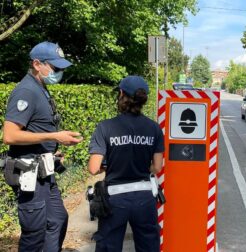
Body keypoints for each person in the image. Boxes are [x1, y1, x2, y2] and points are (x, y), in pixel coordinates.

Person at [2, 41, 83, 251]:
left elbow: (36, 129)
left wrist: (52, 152)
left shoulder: (41, 89)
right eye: (56, 68)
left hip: (44, 172)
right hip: (29, 173)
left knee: (57, 219)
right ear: (37, 64)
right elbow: (10, 135)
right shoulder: (26, 91)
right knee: (35, 232)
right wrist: (55, 135)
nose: (60, 72)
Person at [88, 75, 164, 252]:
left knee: (109, 246)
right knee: (149, 247)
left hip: (114, 200)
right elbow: (157, 166)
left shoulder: (105, 127)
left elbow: (93, 168)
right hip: (145, 199)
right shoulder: (154, 128)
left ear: (121, 94)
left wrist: (112, 166)